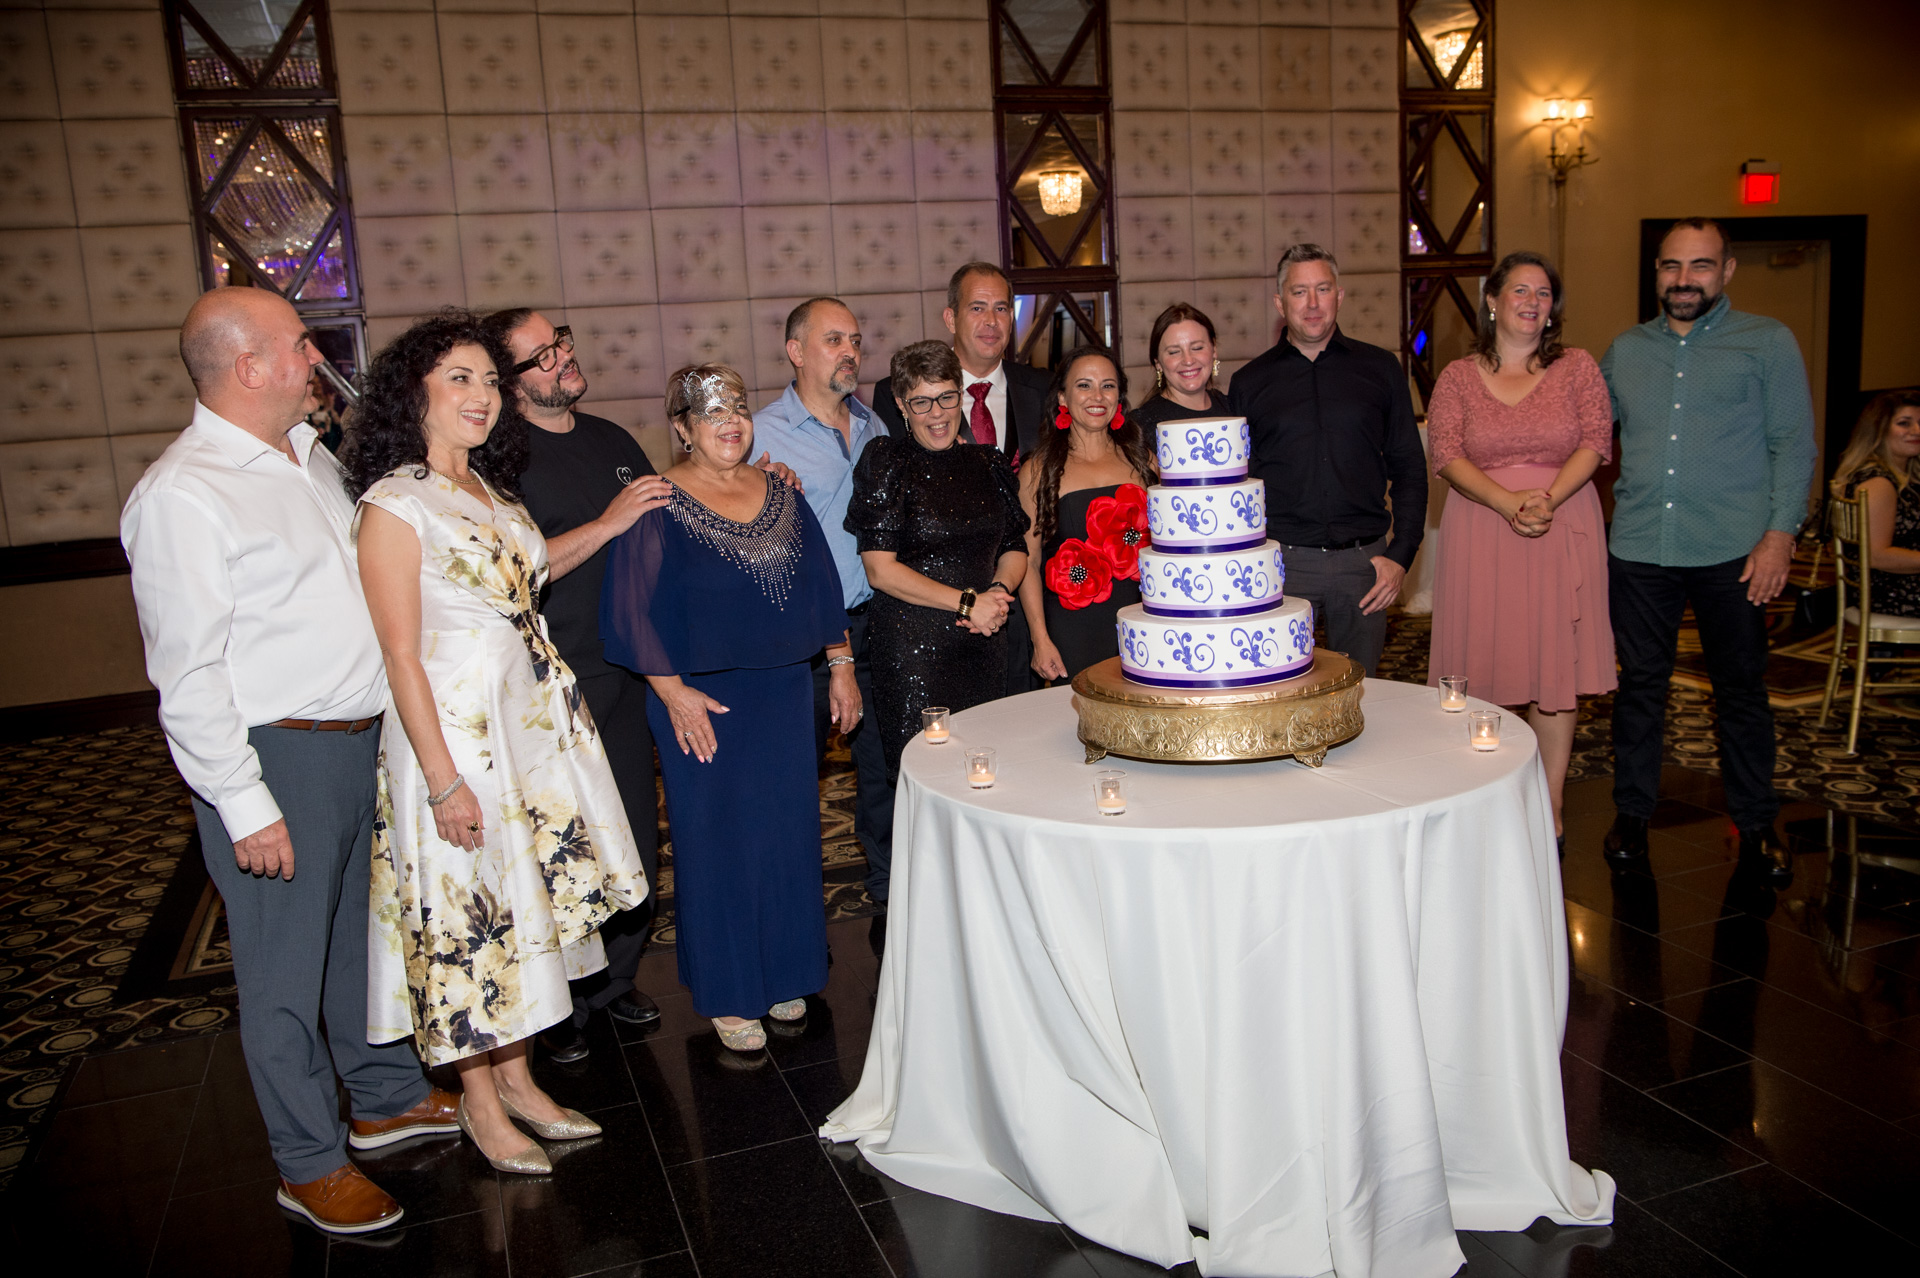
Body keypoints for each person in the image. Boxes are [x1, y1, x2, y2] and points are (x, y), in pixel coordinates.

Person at [122, 287, 458, 1235]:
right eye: (299, 344)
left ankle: (382, 1096)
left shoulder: (309, 456)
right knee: (282, 974)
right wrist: (243, 801)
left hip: (357, 741)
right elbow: (187, 675)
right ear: (249, 366)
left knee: (358, 940)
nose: (316, 358)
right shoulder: (184, 493)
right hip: (277, 757)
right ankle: (307, 1162)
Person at [349, 310, 648, 1174]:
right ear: (414, 394)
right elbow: (400, 656)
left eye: (488, 379)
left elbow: (531, 578)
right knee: (469, 918)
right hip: (455, 745)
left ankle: (518, 1081)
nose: (480, 395)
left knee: (521, 910)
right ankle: (480, 1104)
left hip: (525, 738)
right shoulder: (394, 503)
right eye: (459, 379)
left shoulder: (488, 489)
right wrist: (443, 780)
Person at [600, 365, 854, 1054]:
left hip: (783, 692)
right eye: (711, 414)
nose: (730, 423)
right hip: (698, 699)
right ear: (682, 428)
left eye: (737, 409)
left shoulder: (781, 490)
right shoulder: (656, 502)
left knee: (787, 834)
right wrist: (672, 692)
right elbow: (629, 610)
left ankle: (787, 971)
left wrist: (840, 667)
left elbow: (821, 587)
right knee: (716, 842)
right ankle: (731, 989)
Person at [1599, 217, 1817, 880]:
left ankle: (1756, 824)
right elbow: (1584, 433)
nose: (1684, 279)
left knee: (1741, 691)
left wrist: (1779, 537)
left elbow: (1794, 445)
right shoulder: (1626, 350)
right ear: (1657, 272)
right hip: (1641, 546)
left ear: (1726, 271)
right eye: (1672, 265)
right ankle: (1632, 814)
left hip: (1735, 551)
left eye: (1699, 265)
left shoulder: (1767, 342)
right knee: (1640, 687)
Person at [481, 308, 671, 1062]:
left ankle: (615, 980)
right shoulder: (502, 463)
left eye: (559, 340)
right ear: (510, 383)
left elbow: (661, 529)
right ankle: (562, 1005)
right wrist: (610, 522)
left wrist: (750, 482)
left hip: (630, 667)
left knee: (631, 833)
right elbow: (517, 571)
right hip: (556, 682)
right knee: (565, 845)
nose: (562, 356)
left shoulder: (612, 439)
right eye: (541, 355)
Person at [1425, 251, 1616, 844]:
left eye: (1543, 293)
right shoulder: (1457, 377)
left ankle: (1549, 804)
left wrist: (1546, 499)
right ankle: (1481, 798)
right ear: (1492, 300)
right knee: (1483, 663)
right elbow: (1445, 454)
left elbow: (1596, 439)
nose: (1533, 302)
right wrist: (1507, 502)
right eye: (1520, 291)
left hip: (1561, 523)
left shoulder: (1577, 367)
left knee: (1554, 669)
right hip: (1482, 529)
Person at [751, 297, 893, 907]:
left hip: (876, 624)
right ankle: (797, 918)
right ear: (796, 352)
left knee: (884, 772)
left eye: (855, 341)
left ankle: (889, 896)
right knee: (791, 784)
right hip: (800, 637)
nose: (850, 352)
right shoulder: (759, 435)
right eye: (834, 340)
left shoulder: (876, 427)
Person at [1228, 243, 1427, 677]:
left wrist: (1401, 554)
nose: (1313, 303)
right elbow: (1238, 487)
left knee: (1359, 692)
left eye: (1322, 289)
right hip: (1282, 566)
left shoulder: (1381, 369)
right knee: (1278, 688)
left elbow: (1410, 467)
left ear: (1340, 295)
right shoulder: (1249, 382)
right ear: (1280, 303)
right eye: (1299, 292)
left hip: (1364, 567)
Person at [846, 340, 1030, 777]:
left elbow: (1014, 546)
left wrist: (997, 593)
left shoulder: (987, 462)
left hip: (984, 638)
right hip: (915, 651)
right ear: (900, 404)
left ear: (961, 394)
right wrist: (969, 603)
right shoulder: (888, 462)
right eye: (921, 402)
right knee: (929, 774)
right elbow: (880, 570)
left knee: (987, 769)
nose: (937, 413)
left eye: (947, 397)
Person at [873, 261, 1054, 696]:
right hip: (932, 619)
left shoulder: (1045, 389)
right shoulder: (895, 395)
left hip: (1029, 597)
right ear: (951, 318)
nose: (992, 321)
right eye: (977, 308)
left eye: (1001, 308)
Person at [1019, 345, 1156, 683]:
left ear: (1119, 397)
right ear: (1062, 398)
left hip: (1145, 625)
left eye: (1108, 385)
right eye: (1084, 385)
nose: (1098, 396)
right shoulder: (1037, 470)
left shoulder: (1144, 460)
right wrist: (1040, 639)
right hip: (1073, 634)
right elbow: (1029, 562)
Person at [1831, 389, 1920, 618]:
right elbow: (1875, 555)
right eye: (1904, 423)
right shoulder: (1879, 482)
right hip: (1892, 594)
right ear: (1878, 430)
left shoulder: (1902, 475)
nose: (1917, 431)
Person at [1131, 301, 1233, 435]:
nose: (1188, 361)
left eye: (1197, 348)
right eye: (1174, 352)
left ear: (1214, 349)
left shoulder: (1232, 406)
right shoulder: (1142, 425)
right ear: (1158, 363)